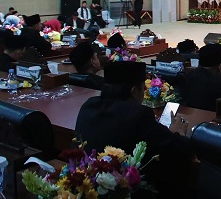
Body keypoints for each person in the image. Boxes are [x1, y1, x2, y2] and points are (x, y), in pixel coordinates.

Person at [74, 61, 194, 198]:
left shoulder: (89, 105)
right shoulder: (138, 115)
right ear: (134, 91)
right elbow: (180, 150)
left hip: (86, 186)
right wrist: (177, 131)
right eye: (143, 88)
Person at [180, 43, 221, 111]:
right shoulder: (220, 82)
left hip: (191, 115)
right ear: (220, 65)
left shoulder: (189, 75)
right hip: (213, 117)